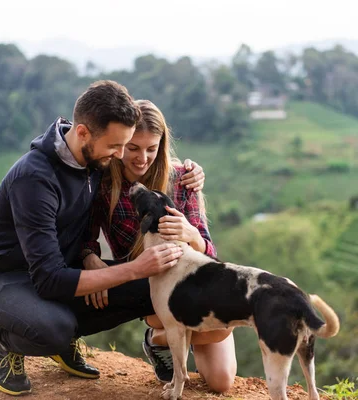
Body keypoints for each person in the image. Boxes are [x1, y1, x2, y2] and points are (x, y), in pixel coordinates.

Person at [0, 81, 204, 396]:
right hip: (1, 279)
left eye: (124, 145)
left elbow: (146, 162)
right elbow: (49, 280)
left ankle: (61, 338)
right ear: (82, 133)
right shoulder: (35, 179)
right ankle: (7, 342)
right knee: (55, 328)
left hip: (58, 270)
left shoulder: (93, 157)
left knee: (151, 288)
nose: (121, 155)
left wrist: (188, 172)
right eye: (115, 147)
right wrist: (132, 269)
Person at [82, 99, 237, 393]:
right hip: (150, 288)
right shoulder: (102, 184)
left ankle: (158, 340)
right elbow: (84, 234)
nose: (143, 158)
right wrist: (90, 256)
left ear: (162, 145)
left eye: (151, 149)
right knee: (176, 320)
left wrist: (191, 233)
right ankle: (164, 335)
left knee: (221, 381)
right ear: (121, 143)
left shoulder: (182, 178)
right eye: (134, 148)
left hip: (196, 281)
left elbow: (209, 253)